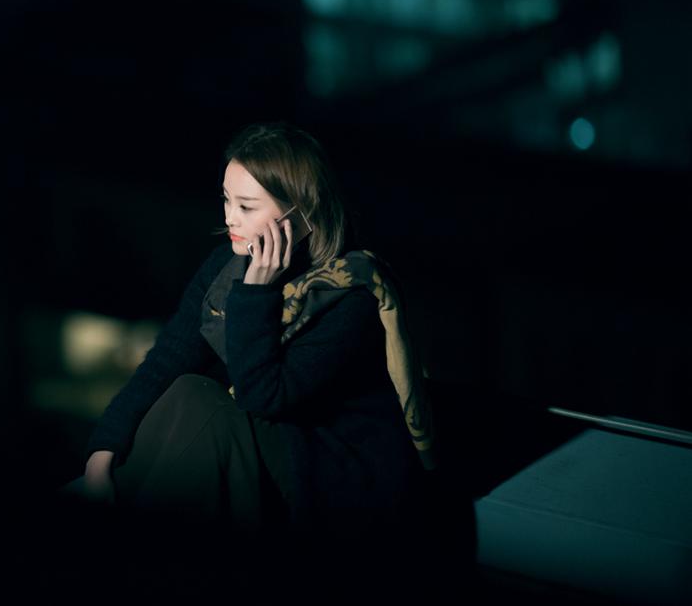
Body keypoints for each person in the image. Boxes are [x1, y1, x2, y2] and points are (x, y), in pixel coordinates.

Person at [73, 121, 438, 564]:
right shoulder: (226, 265)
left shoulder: (348, 293)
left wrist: (256, 291)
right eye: (227, 199)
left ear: (301, 214)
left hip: (329, 469)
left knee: (201, 404)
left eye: (246, 206)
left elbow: (264, 397)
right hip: (262, 436)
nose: (230, 217)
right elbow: (167, 359)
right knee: (184, 391)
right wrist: (101, 454)